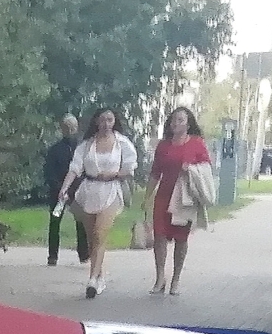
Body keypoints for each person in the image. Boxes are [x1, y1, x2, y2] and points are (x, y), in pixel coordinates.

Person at [54, 107, 137, 301]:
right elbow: (75, 168)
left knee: (100, 234)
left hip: (111, 191)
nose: (106, 124)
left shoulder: (122, 144)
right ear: (96, 123)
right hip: (89, 191)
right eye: (102, 120)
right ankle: (99, 275)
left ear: (114, 121)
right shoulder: (86, 145)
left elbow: (130, 168)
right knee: (92, 238)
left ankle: (91, 280)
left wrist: (114, 174)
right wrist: (64, 188)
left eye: (110, 119)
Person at [148, 106, 214, 296]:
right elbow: (155, 173)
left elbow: (206, 168)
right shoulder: (163, 145)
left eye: (181, 120)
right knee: (159, 237)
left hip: (184, 197)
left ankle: (176, 279)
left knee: (180, 238)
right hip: (163, 195)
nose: (176, 123)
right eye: (174, 120)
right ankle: (160, 278)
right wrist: (147, 197)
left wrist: (191, 169)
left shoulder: (196, 143)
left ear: (188, 123)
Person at [39, 113, 85, 266]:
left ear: (76, 127)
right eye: (66, 127)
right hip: (58, 192)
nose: (69, 129)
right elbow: (49, 172)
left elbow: (84, 170)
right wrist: (60, 189)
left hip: (78, 191)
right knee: (55, 222)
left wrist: (77, 188)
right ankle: (53, 255)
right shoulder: (54, 150)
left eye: (72, 127)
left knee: (81, 222)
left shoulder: (82, 148)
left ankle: (84, 253)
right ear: (62, 129)